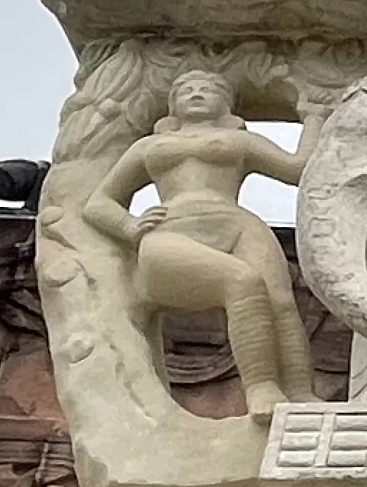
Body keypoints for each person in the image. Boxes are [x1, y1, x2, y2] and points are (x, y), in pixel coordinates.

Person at [81, 71, 314, 416]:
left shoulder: (240, 142)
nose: (197, 94)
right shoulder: (149, 146)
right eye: (186, 90)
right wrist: (129, 226)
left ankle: (300, 393)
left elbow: (298, 169)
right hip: (171, 227)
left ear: (226, 104)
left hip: (236, 223)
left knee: (280, 301)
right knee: (242, 281)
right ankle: (261, 387)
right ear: (172, 104)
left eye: (208, 89)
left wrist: (314, 117)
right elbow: (98, 203)